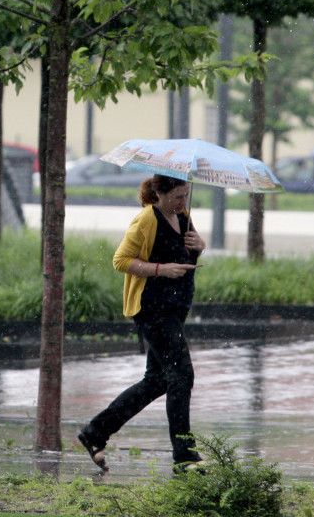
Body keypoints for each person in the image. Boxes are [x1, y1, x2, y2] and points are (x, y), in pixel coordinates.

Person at [78, 174, 206, 474]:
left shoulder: (183, 216)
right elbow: (121, 260)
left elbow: (187, 253)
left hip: (175, 309)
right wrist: (161, 269)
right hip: (152, 309)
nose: (182, 201)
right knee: (181, 375)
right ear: (159, 194)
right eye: (177, 196)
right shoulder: (147, 220)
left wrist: (200, 245)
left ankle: (95, 432)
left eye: (185, 195)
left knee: (158, 380)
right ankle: (185, 457)